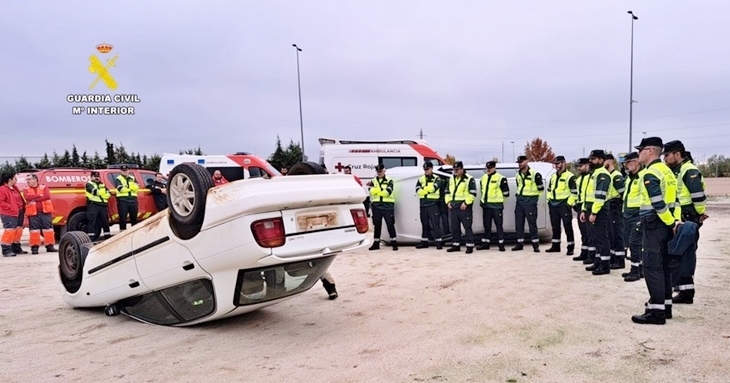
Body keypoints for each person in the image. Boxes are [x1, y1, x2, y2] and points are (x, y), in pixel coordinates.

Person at [631, 137, 681, 325]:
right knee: (665, 266)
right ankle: (665, 307)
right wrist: (674, 222)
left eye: (640, 150)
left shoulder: (650, 173)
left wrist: (670, 222)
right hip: (666, 224)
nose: (638, 154)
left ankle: (656, 312)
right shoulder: (667, 171)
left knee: (652, 267)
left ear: (650, 151)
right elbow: (674, 201)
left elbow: (658, 203)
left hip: (655, 224)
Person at [663, 140, 707, 304]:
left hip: (688, 219)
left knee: (686, 255)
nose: (665, 158)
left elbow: (698, 196)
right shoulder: (678, 170)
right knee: (683, 255)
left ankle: (686, 293)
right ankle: (684, 291)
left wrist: (699, 213)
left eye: (667, 155)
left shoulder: (689, 170)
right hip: (682, 218)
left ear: (677, 154)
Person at [581, 150, 612, 275]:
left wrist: (594, 213)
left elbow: (600, 197)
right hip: (591, 209)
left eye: (593, 159)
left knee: (601, 238)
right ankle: (598, 262)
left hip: (600, 210)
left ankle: (605, 265)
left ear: (601, 160)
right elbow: (587, 195)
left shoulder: (602, 174)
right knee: (596, 238)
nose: (590, 161)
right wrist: (584, 210)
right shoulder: (594, 173)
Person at [545, 155, 577, 255]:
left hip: (564, 204)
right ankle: (555, 246)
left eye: (558, 163)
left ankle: (570, 247)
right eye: (555, 164)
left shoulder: (570, 176)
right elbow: (550, 190)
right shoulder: (553, 176)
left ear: (564, 163)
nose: (556, 166)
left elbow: (574, 192)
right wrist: (549, 200)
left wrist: (568, 204)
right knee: (555, 226)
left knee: (567, 226)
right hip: (553, 204)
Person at [620, 152, 644, 282]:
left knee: (635, 243)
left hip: (638, 214)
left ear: (636, 162)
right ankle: (639, 269)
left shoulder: (643, 176)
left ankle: (636, 271)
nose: (627, 166)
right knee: (631, 242)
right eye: (625, 163)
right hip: (628, 214)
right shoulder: (630, 177)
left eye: (629, 162)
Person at [512, 155, 544, 252]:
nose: (519, 164)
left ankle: (535, 245)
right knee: (519, 224)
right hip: (520, 202)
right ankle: (519, 243)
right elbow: (519, 187)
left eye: (521, 162)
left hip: (530, 202)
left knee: (532, 224)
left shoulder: (535, 174)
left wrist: (532, 199)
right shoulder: (518, 174)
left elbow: (540, 189)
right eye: (518, 162)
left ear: (527, 162)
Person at [445, 161, 477, 253]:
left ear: (462, 169)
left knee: (467, 226)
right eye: (454, 169)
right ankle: (456, 245)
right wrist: (448, 202)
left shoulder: (469, 179)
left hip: (464, 207)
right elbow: (447, 192)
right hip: (453, 206)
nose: (455, 171)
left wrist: (466, 203)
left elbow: (473, 193)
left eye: (457, 169)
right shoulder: (451, 178)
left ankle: (469, 246)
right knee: (455, 227)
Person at [477, 161, 509, 251]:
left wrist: (498, 201)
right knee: (486, 226)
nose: (488, 169)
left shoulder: (500, 178)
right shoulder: (483, 178)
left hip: (496, 206)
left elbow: (506, 193)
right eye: (487, 168)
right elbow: (483, 191)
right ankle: (485, 244)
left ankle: (501, 244)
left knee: (499, 226)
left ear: (494, 167)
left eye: (490, 168)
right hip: (486, 206)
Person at [22, 174, 57, 254]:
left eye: (29, 179)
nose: (27, 181)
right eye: (26, 180)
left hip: (45, 212)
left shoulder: (44, 187)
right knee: (34, 230)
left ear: (35, 179)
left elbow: (47, 196)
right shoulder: (26, 189)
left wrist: (35, 197)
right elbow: (27, 197)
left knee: (48, 229)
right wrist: (40, 195)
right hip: (33, 213)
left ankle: (50, 246)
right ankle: (34, 248)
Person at [368, 164, 398, 251]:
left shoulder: (390, 180)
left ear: (384, 171)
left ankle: (394, 243)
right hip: (377, 205)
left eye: (380, 171)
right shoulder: (373, 181)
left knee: (390, 224)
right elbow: (371, 191)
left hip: (387, 205)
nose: (379, 173)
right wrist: (380, 190)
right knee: (377, 225)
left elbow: (387, 192)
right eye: (378, 172)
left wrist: (377, 190)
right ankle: (376, 243)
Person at [604, 153, 627, 269]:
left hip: (616, 207)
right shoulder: (608, 175)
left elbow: (623, 194)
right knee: (611, 234)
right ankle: (613, 258)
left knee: (617, 234)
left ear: (610, 161)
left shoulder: (616, 176)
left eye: (605, 161)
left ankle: (620, 260)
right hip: (610, 206)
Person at [415, 161, 443, 249]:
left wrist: (424, 189)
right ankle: (424, 242)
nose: (426, 171)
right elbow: (417, 190)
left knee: (435, 224)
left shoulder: (437, 178)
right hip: (423, 204)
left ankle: (438, 243)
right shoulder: (421, 179)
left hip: (433, 204)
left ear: (432, 169)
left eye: (427, 169)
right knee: (425, 224)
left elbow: (434, 188)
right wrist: (427, 189)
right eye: (425, 169)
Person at [572, 158, 593, 262]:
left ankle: (591, 255)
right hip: (580, 207)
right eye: (578, 166)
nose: (579, 168)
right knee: (583, 233)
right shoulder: (579, 179)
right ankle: (584, 253)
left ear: (587, 165)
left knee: (590, 233)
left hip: (588, 207)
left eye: (581, 166)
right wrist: (573, 203)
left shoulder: (591, 177)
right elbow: (577, 193)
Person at [1, 172, 26, 257]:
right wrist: (11, 207)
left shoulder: (14, 188)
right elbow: (1, 201)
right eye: (15, 178)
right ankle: (6, 249)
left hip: (19, 212)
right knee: (10, 231)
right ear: (9, 179)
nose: (16, 180)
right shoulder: (2, 189)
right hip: (9, 213)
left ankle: (16, 247)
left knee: (18, 230)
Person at [86, 171, 112, 240]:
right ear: (91, 177)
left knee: (105, 222)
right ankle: (91, 238)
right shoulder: (89, 184)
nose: (96, 178)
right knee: (92, 221)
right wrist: (103, 193)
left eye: (97, 177)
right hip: (93, 205)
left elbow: (109, 193)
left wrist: (102, 194)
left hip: (103, 205)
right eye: (95, 176)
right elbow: (95, 192)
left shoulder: (102, 184)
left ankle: (107, 237)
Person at [114, 165, 140, 231]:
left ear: (129, 170)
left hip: (133, 200)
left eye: (126, 170)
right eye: (123, 170)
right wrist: (131, 188)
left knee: (134, 218)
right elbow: (121, 189)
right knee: (123, 218)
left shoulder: (132, 178)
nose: (125, 172)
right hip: (123, 201)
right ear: (121, 171)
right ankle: (122, 233)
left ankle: (134, 232)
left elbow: (137, 187)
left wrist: (127, 187)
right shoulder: (118, 178)